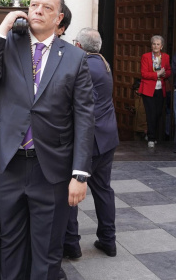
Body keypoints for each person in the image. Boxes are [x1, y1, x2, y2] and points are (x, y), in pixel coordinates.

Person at [0, 0, 94, 280]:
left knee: (47, 248)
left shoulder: (75, 58)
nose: (37, 10)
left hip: (51, 167)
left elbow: (84, 117)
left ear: (59, 18)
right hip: (9, 163)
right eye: (33, 5)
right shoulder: (8, 45)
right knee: (10, 241)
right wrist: (4, 25)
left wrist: (80, 174)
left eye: (46, 7)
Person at [64, 28, 120, 259]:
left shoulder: (85, 65)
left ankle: (71, 244)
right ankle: (108, 240)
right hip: (107, 137)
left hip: (91, 140)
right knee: (103, 189)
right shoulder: (102, 63)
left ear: (78, 46)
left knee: (71, 192)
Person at [139, 35, 170, 147]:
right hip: (148, 89)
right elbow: (144, 73)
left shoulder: (166, 57)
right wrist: (157, 74)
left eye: (158, 44)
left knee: (158, 113)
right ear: (151, 45)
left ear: (161, 46)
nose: (155, 46)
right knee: (150, 113)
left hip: (160, 89)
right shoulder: (146, 57)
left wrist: (165, 74)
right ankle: (151, 138)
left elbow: (169, 70)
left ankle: (152, 134)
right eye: (153, 44)